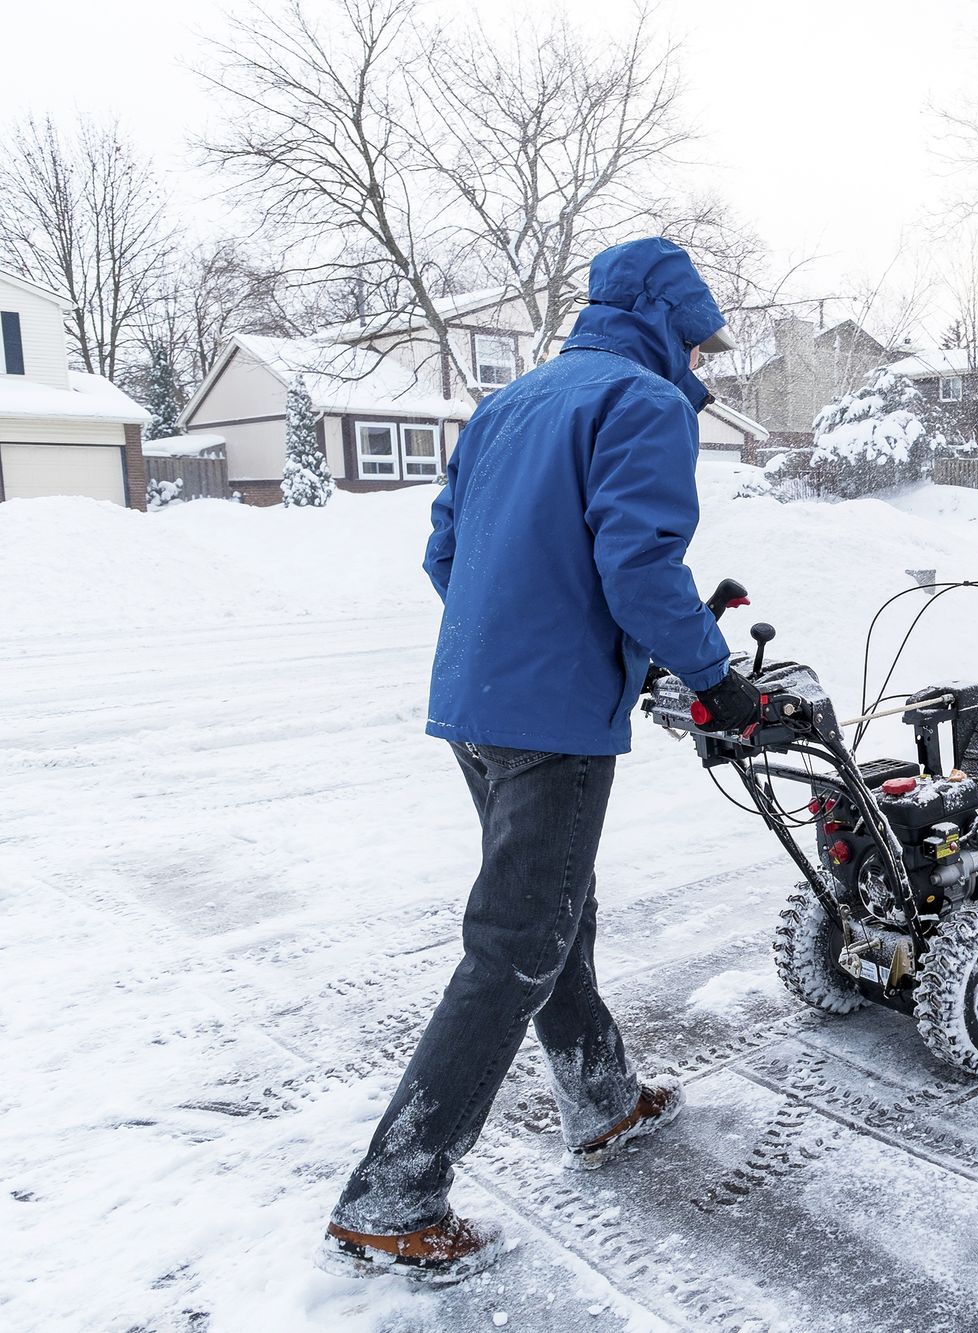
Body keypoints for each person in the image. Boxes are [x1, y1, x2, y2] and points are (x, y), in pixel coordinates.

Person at [319, 238, 764, 1285]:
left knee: (551, 910)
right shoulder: (641, 404)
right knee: (516, 943)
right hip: (551, 720)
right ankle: (395, 1192)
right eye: (696, 339)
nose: (700, 361)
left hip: (474, 702)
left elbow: (444, 548)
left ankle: (601, 1097)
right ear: (663, 319)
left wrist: (514, 642)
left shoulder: (512, 402)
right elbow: (637, 563)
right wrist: (715, 678)